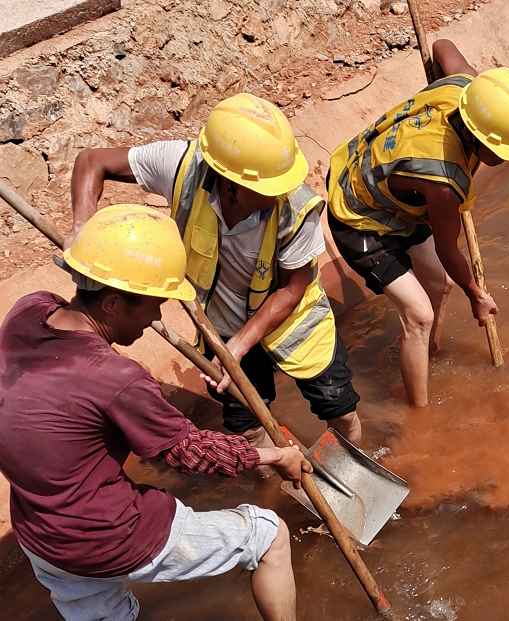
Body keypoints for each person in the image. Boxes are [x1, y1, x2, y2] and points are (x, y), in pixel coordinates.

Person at [0, 205, 312, 621]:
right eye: (152, 305)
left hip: (41, 536)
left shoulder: (28, 309)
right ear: (111, 304)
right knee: (269, 535)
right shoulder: (117, 379)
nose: (156, 318)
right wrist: (277, 455)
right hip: (109, 537)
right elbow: (190, 453)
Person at [69, 93, 362, 471]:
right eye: (266, 189)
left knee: (339, 408)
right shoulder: (182, 166)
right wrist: (81, 228)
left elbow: (292, 289)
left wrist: (240, 344)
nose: (278, 195)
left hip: (293, 322)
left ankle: (351, 474)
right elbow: (92, 161)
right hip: (221, 324)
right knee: (246, 427)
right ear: (228, 180)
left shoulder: (297, 207)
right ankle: (282, 482)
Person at [326, 39, 509, 406]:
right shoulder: (443, 183)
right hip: (358, 214)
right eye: (503, 152)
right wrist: (476, 295)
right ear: (477, 137)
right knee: (419, 313)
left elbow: (442, 46)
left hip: (394, 195)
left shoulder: (467, 87)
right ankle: (420, 417)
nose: (507, 159)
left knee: (440, 286)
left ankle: (427, 354)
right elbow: (447, 249)